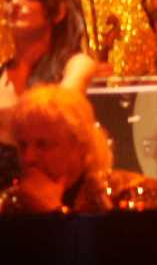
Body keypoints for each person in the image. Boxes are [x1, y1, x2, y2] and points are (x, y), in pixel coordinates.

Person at [2, 0, 101, 152]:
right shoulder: (3, 72)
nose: (15, 2)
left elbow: (57, 116)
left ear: (58, 13)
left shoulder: (76, 64)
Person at [0, 84, 116, 214]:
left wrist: (53, 209)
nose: (28, 158)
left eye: (43, 145)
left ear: (80, 146)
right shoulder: (10, 205)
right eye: (22, 145)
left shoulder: (122, 195)